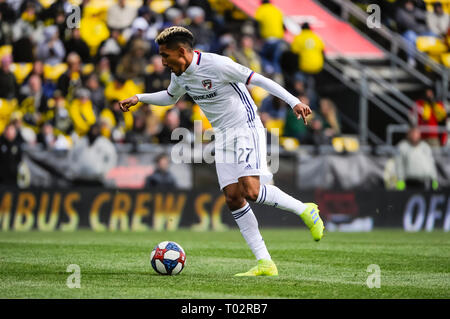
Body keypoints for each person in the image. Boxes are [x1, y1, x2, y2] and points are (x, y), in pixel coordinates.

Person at [119, 26, 324, 277]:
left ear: (181, 51)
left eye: (165, 55)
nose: (163, 62)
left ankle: (305, 209)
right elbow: (170, 98)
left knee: (251, 190)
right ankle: (265, 263)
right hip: (223, 136)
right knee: (233, 198)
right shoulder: (180, 73)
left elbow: (258, 79)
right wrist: (140, 97)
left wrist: (294, 102)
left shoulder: (217, 64)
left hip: (246, 128)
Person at [395, 126, 439, 190]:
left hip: (424, 182)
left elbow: (431, 163)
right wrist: (400, 179)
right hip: (408, 182)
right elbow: (399, 164)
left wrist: (434, 178)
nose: (415, 136)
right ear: (408, 135)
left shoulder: (425, 146)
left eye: (416, 133)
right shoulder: (402, 147)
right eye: (413, 133)